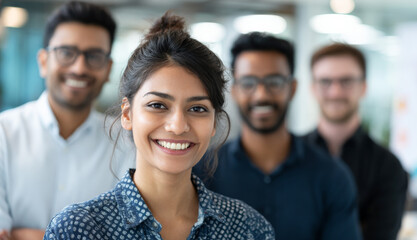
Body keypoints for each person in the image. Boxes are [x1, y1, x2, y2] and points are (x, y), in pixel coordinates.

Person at [43, 13, 275, 240]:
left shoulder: (248, 228)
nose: (177, 126)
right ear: (127, 114)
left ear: (214, 121)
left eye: (197, 109)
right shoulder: (78, 229)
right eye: (157, 105)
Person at [194, 32, 362, 240]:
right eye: (248, 83)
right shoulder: (202, 172)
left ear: (292, 89)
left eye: (274, 82)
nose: (262, 94)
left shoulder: (332, 177)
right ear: (235, 91)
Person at [0, 1, 132, 239]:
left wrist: (22, 235)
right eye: (66, 53)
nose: (79, 68)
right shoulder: (3, 133)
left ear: (108, 68)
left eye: (94, 56)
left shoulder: (126, 144)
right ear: (43, 62)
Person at [302, 42, 408, 240]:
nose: (335, 92)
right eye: (325, 82)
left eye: (346, 81)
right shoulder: (291, 154)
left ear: (364, 87)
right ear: (313, 88)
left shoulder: (387, 166)